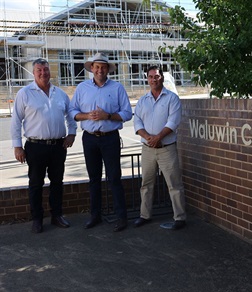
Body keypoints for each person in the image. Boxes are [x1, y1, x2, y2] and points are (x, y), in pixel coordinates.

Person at [10, 58, 77, 233]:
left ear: (50, 71)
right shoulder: (24, 93)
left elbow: (70, 116)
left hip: (57, 146)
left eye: (45, 69)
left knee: (57, 182)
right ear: (34, 72)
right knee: (35, 184)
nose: (43, 73)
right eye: (39, 70)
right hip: (35, 146)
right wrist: (17, 146)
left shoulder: (60, 94)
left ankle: (57, 215)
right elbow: (16, 121)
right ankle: (37, 219)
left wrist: (72, 133)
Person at [69, 52, 132, 232]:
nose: (100, 70)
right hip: (89, 138)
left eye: (103, 67)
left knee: (114, 178)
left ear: (108, 70)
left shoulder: (117, 88)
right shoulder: (82, 88)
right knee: (93, 179)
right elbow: (72, 111)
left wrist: (108, 116)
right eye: (96, 67)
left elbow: (127, 113)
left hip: (110, 138)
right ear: (92, 69)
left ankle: (121, 217)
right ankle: (94, 215)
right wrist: (86, 115)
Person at [133, 65, 187, 230]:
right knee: (146, 184)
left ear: (162, 77)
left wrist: (158, 137)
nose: (153, 79)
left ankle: (180, 218)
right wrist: (148, 137)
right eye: (150, 77)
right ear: (147, 79)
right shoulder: (142, 100)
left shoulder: (172, 98)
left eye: (156, 76)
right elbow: (137, 122)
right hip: (148, 148)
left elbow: (173, 121)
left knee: (174, 184)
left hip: (166, 148)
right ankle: (145, 215)